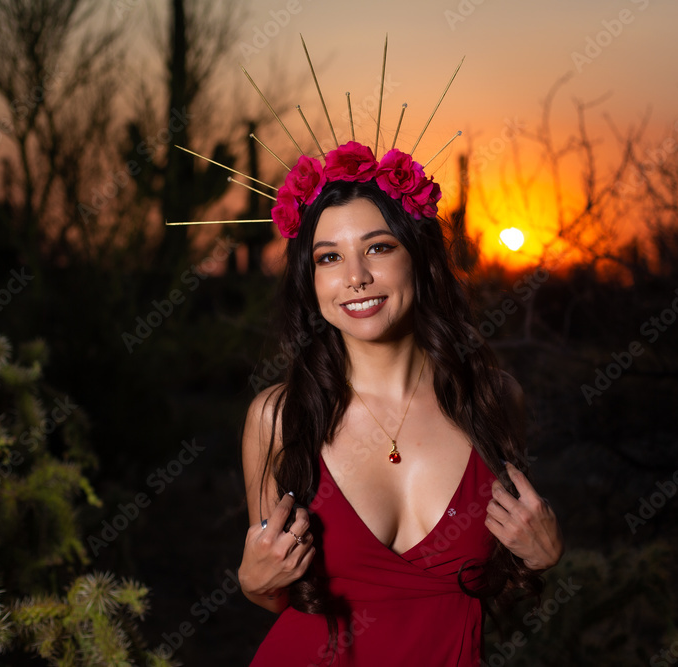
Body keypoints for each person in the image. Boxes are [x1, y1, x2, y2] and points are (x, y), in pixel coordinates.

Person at [238, 140, 564, 666]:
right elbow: (272, 591)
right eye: (330, 257)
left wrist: (544, 556)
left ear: (420, 258)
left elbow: (495, 573)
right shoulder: (278, 418)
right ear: (311, 280)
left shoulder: (494, 401)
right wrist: (252, 580)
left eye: (379, 247)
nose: (355, 277)